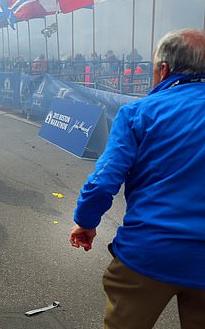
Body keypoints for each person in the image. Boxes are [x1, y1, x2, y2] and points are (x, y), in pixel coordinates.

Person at [69, 29, 205, 329]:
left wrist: (86, 222)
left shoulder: (137, 113)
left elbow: (103, 181)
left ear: (164, 69)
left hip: (148, 253)